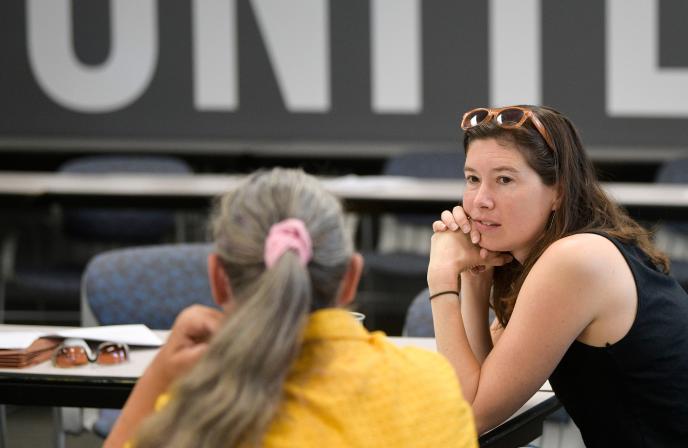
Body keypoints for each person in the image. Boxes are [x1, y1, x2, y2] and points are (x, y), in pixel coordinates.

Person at [428, 105, 688, 447]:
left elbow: (468, 415)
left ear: (558, 191)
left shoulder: (573, 260)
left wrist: (440, 276)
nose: (480, 200)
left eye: (505, 179)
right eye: (472, 179)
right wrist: (474, 280)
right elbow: (481, 383)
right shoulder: (567, 251)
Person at [105, 167, 477, 448]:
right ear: (350, 279)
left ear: (218, 278)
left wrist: (158, 376)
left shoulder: (189, 413)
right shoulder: (436, 390)